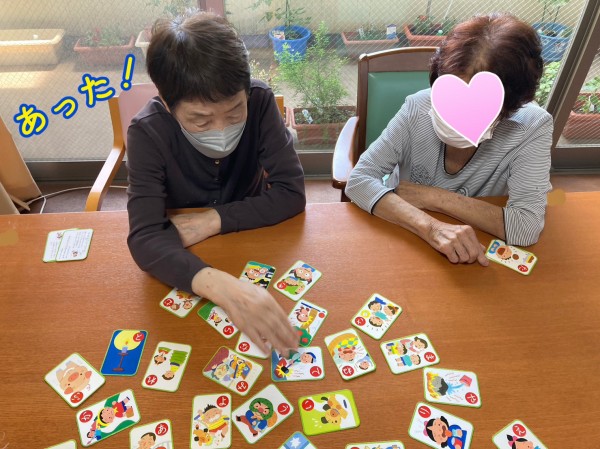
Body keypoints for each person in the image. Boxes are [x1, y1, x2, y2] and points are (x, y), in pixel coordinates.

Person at [126, 11, 305, 355]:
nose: (222, 130)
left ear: (245, 92)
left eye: (235, 112)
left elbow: (291, 193)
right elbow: (146, 236)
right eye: (201, 120)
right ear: (167, 104)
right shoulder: (147, 132)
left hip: (252, 237)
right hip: (186, 254)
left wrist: (214, 219)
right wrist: (219, 285)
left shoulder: (260, 100)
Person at [345, 13, 552, 266]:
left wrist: (434, 197)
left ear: (510, 106)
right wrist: (430, 227)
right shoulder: (417, 107)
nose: (457, 116)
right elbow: (360, 180)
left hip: (476, 248)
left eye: (478, 106)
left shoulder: (532, 127)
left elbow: (526, 227)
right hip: (406, 234)